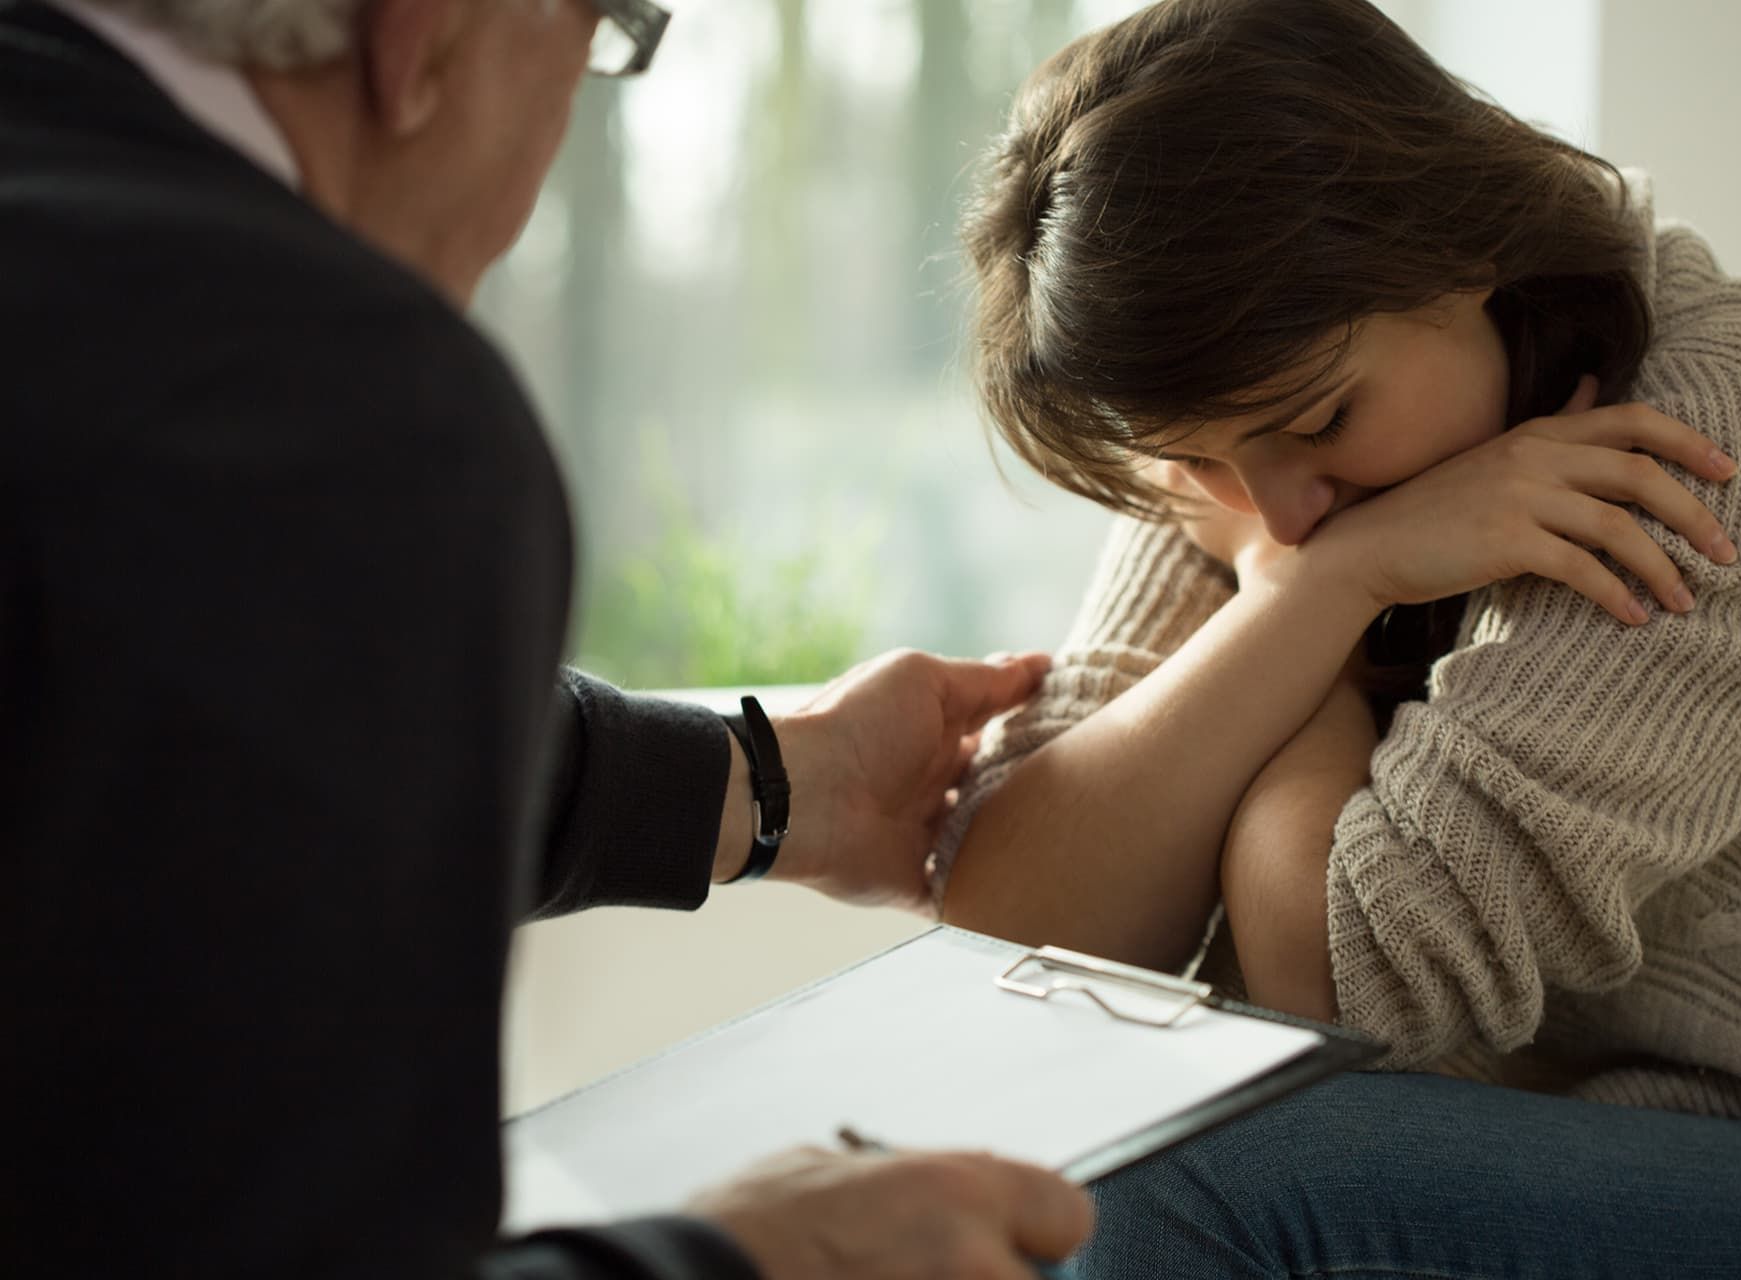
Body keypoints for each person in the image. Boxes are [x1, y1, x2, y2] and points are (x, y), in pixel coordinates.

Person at [0, 0, 1093, 1276]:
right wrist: (755, 1258)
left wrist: (784, 784)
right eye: (595, 43)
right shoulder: (320, 404)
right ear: (429, 36)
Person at [933, 0, 1741, 1275]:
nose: (1273, 508)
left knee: (1168, 1179)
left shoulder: (1727, 440)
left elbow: (1333, 992)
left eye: (1327, 418)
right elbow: (1006, 937)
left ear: (1459, 244)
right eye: (1199, 464)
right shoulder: (1256, 438)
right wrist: (1326, 585)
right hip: (1540, 1130)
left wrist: (1306, 604)